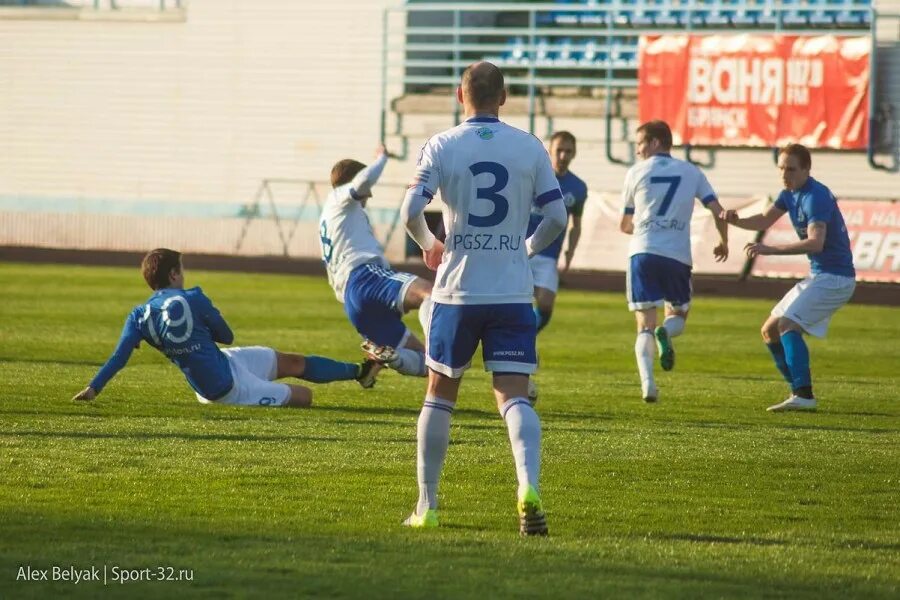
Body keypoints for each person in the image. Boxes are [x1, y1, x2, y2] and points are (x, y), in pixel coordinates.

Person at [400, 61, 568, 535]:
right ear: (505, 96)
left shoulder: (442, 145)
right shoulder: (529, 146)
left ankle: (427, 507)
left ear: (460, 94)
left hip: (457, 291)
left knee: (438, 396)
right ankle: (527, 486)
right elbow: (556, 218)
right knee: (514, 397)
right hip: (512, 292)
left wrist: (430, 245)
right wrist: (527, 247)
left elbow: (411, 209)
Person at [72, 249, 378, 407]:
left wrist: (93, 388)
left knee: (292, 361)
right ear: (175, 274)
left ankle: (360, 373)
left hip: (225, 364)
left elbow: (119, 357)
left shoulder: (139, 315)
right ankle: (357, 373)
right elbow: (226, 336)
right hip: (226, 391)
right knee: (304, 397)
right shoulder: (194, 297)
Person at [724, 143, 855, 412]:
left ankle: (804, 395)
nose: (785, 174)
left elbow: (815, 243)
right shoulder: (789, 193)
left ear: (806, 169)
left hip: (835, 278)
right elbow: (762, 221)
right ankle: (797, 391)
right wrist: (735, 220)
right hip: (820, 275)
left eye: (791, 169)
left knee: (787, 324)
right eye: (781, 168)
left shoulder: (814, 197)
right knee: (769, 330)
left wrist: (770, 250)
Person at [619, 120, 729, 403]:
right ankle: (665, 332)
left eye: (641, 143)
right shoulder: (692, 171)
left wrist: (644, 226)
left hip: (643, 251)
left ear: (655, 142)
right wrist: (723, 241)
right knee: (678, 315)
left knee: (643, 324)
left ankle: (648, 384)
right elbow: (718, 210)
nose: (638, 149)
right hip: (677, 255)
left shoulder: (635, 172)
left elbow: (625, 223)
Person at [319, 145, 432, 378]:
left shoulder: (331, 216)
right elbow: (361, 184)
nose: (369, 194)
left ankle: (389, 357)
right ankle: (444, 348)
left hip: (352, 300)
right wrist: (381, 159)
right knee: (431, 294)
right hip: (366, 277)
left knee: (428, 365)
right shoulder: (340, 198)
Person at [527, 130, 588, 334]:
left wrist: (569, 253)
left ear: (574, 154)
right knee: (513, 301)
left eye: (568, 151)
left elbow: (575, 225)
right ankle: (517, 342)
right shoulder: (532, 177)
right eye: (559, 150)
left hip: (548, 255)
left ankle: (524, 337)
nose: (563, 156)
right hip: (520, 250)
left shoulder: (578, 187)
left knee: (545, 305)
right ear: (549, 151)